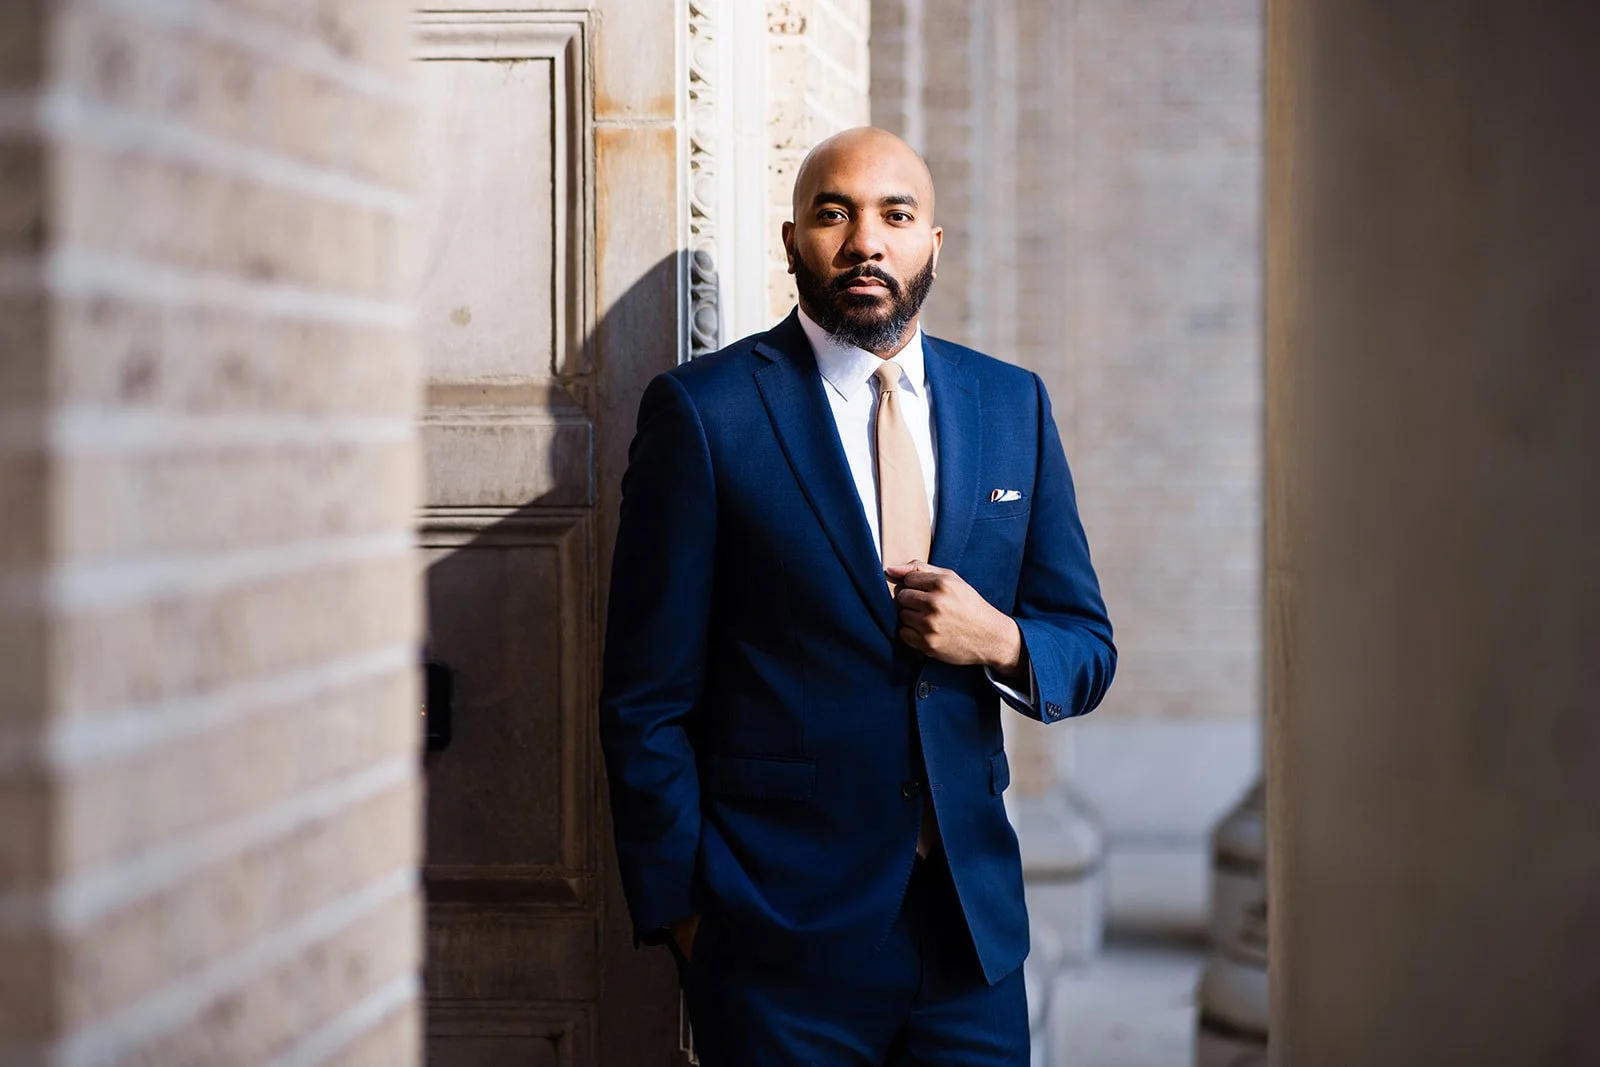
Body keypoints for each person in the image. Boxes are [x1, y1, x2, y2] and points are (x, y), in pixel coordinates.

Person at [599, 126, 1115, 1065]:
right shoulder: (706, 414)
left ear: (932, 243)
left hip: (969, 941)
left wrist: (998, 640)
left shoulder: (1013, 406)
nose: (865, 239)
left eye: (895, 214)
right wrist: (682, 916)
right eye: (833, 213)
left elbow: (1086, 644)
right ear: (793, 241)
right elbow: (645, 699)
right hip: (776, 946)